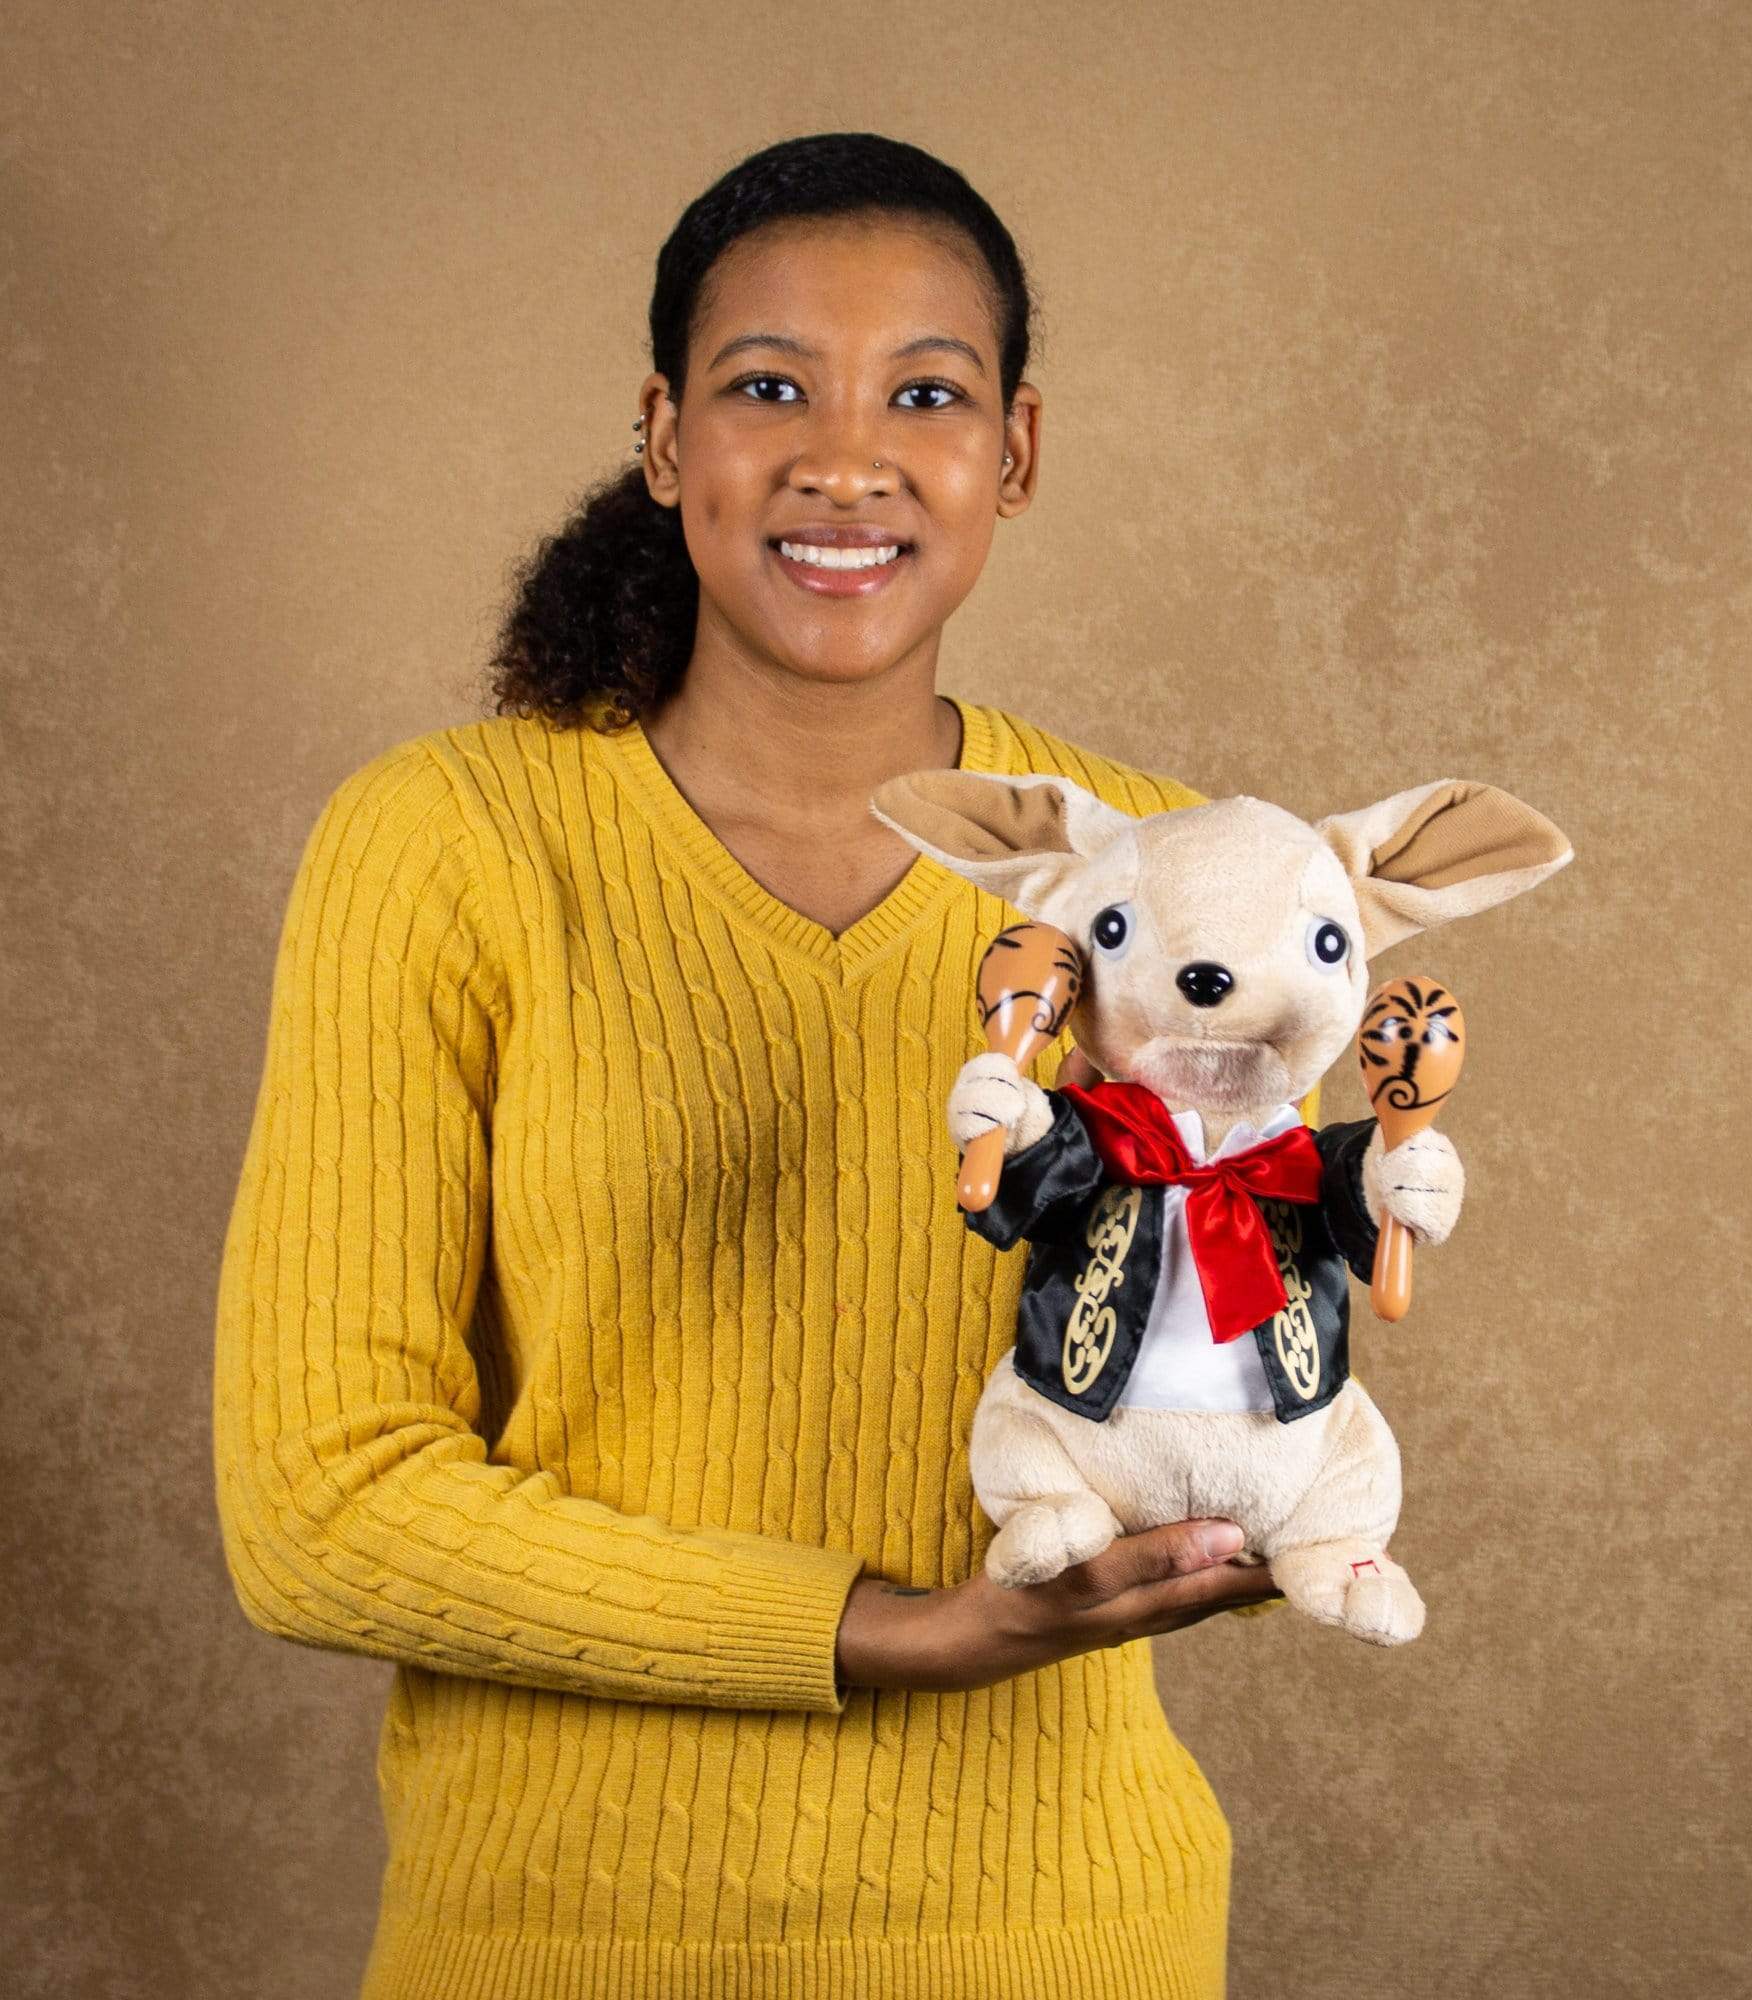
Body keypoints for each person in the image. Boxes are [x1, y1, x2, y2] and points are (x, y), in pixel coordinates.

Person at [213, 130, 1314, 2000]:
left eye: (928, 393)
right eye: (769, 387)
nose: (846, 457)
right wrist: (873, 1631)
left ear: (1014, 454)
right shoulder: (448, 847)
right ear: (665, 438)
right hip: (559, 1943)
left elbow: (1219, 1344)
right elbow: (320, 1510)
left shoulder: (1153, 872)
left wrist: (1268, 1455)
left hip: (1067, 1938)